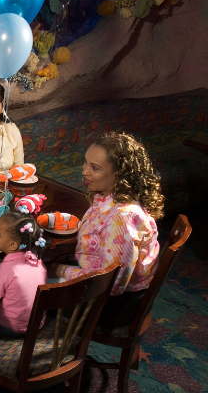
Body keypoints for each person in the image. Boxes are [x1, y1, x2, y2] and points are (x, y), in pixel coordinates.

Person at [49, 132, 163, 330]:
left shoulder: (123, 217)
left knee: (26, 286)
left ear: (119, 174)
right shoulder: (110, 196)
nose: (85, 171)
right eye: (86, 163)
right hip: (100, 282)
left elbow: (112, 283)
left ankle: (36, 349)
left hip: (112, 305)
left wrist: (60, 270)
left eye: (95, 168)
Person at [0, 213, 48, 336]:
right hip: (37, 323)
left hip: (10, 327)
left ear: (13, 245)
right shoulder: (37, 261)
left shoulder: (3, 270)